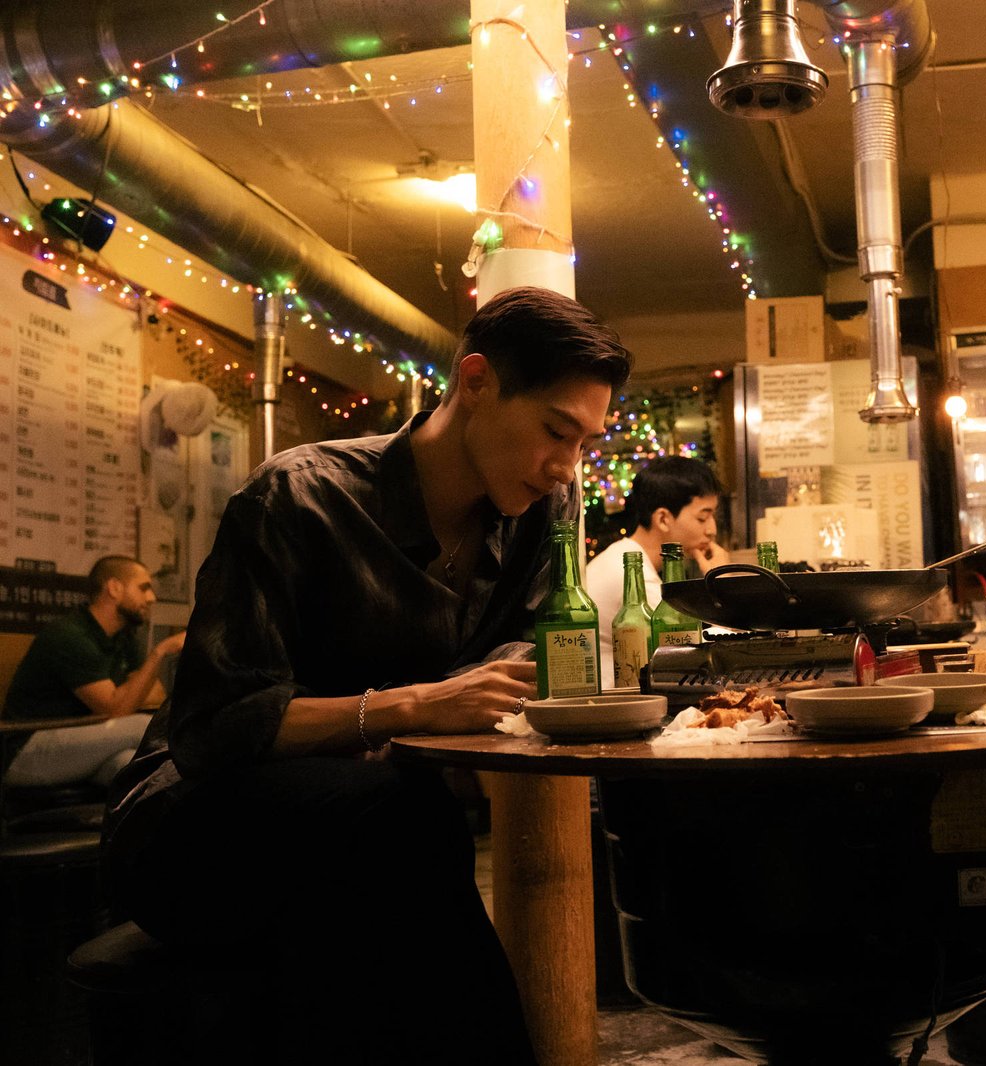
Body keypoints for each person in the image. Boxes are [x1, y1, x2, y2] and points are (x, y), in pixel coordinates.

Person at [102, 286, 632, 1064]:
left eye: (585, 442)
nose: (566, 468)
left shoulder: (538, 514)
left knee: (384, 887)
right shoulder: (300, 495)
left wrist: (497, 683)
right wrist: (412, 707)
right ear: (476, 382)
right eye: (558, 432)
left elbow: (533, 644)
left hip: (369, 829)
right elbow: (213, 728)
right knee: (400, 827)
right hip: (192, 826)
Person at [2, 556, 185, 788]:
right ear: (114, 588)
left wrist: (124, 696)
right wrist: (160, 652)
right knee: (143, 726)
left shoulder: (124, 637)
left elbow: (155, 695)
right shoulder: (71, 636)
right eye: (144, 588)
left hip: (84, 740)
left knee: (131, 764)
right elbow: (116, 710)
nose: (151, 598)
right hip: (26, 748)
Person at [587, 455, 726, 683]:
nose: (712, 530)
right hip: (612, 696)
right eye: (703, 518)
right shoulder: (633, 574)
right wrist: (721, 581)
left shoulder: (626, 555)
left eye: (713, 516)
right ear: (663, 519)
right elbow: (696, 651)